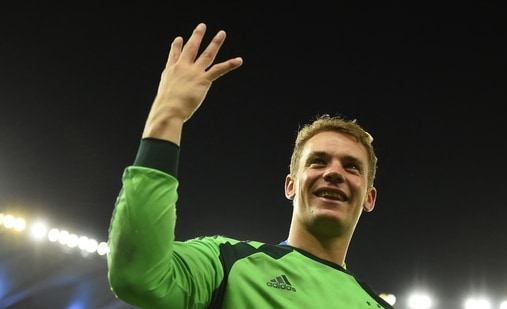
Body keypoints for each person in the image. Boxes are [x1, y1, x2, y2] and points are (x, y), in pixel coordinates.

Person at [107, 22, 395, 309]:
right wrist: (168, 115)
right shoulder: (228, 263)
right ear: (290, 185)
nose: (333, 173)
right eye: (318, 162)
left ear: (369, 197)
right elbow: (137, 276)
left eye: (352, 167)